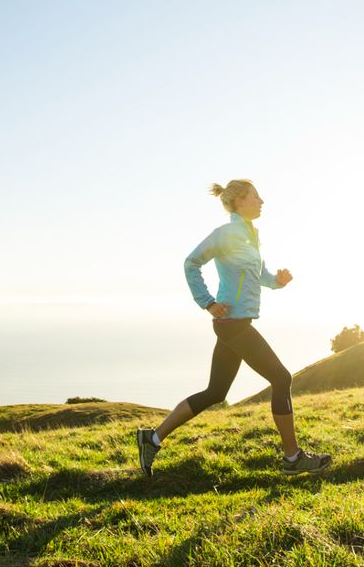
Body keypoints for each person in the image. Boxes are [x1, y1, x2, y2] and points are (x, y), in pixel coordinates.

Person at [136, 179, 332, 476]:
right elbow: (191, 263)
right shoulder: (226, 234)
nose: (262, 201)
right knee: (281, 378)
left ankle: (152, 438)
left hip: (236, 323)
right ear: (240, 200)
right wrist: (208, 302)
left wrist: (277, 281)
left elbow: (259, 276)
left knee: (215, 392)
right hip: (231, 323)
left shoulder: (251, 236)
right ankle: (292, 458)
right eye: (256, 196)